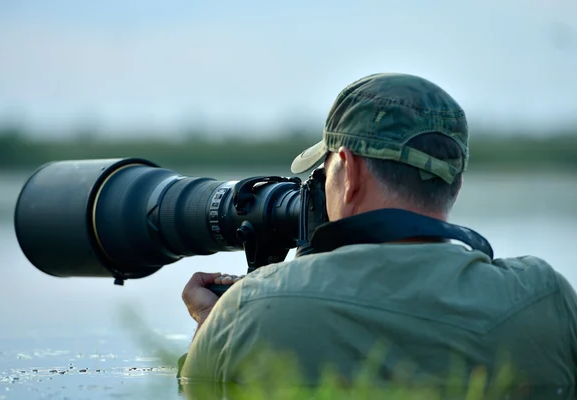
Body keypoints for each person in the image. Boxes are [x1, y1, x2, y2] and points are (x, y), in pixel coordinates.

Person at [178, 73, 577, 395]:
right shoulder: (545, 299)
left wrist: (214, 326)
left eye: (324, 173)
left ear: (348, 173)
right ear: (453, 182)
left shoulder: (250, 310)